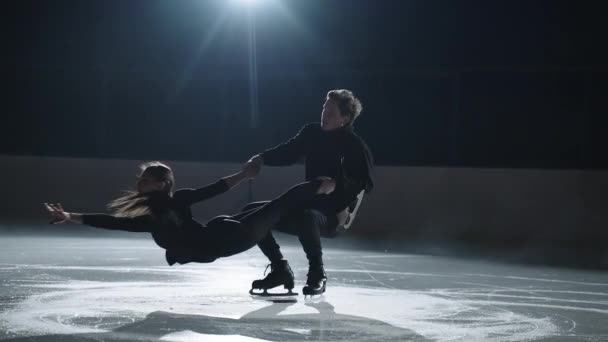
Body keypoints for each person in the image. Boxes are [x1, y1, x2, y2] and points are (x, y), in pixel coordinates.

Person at [44, 161, 336, 293]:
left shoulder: (169, 206)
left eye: (145, 180)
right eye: (141, 179)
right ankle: (282, 269)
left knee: (278, 205)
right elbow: (113, 222)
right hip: (224, 236)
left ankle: (322, 186)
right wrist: (71, 216)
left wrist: (244, 174)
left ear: (160, 185)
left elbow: (214, 189)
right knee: (272, 207)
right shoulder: (155, 214)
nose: (139, 183)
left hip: (230, 237)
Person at [244, 89, 374, 296]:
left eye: (331, 112)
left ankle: (317, 274)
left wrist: (336, 184)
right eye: (324, 108)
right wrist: (261, 158)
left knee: (307, 217)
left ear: (345, 119)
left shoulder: (354, 146)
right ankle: (280, 269)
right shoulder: (312, 133)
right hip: (305, 205)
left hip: (333, 215)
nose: (325, 114)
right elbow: (288, 151)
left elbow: (365, 182)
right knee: (254, 213)